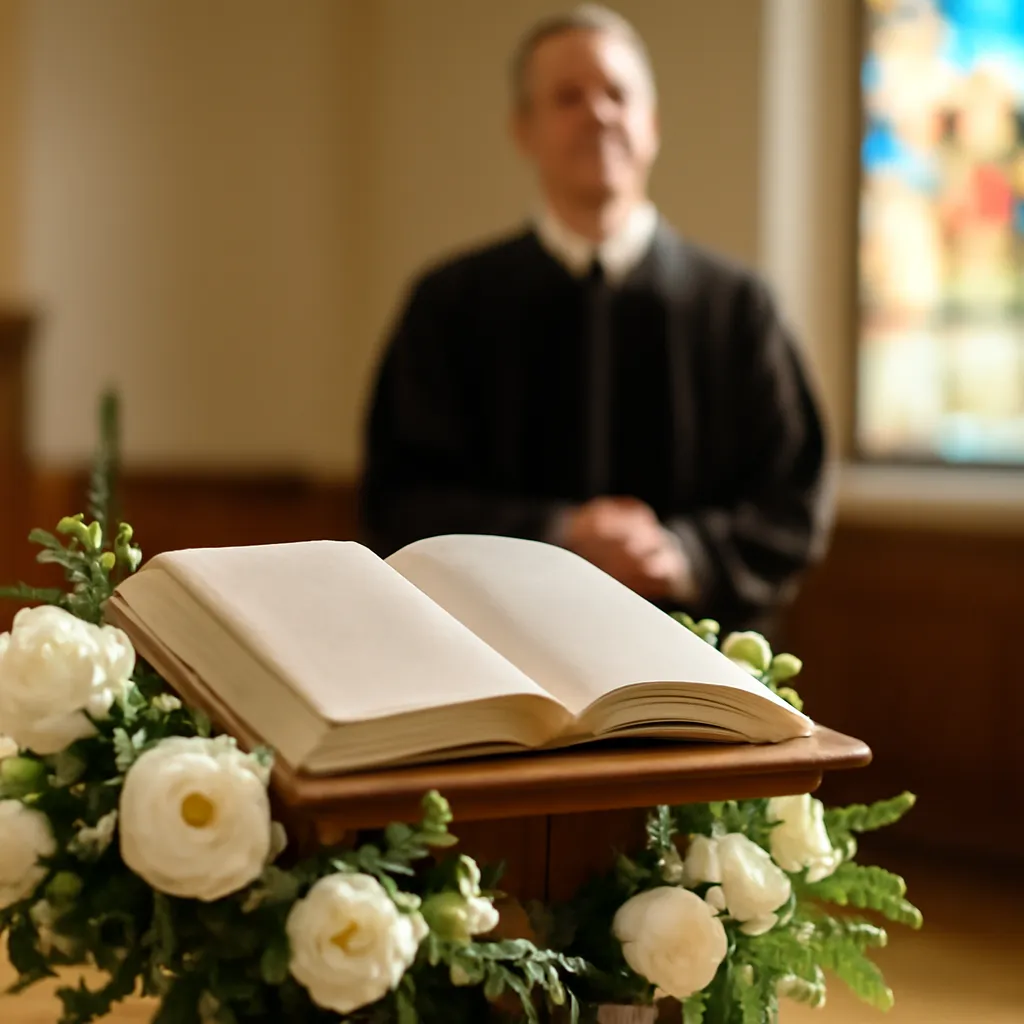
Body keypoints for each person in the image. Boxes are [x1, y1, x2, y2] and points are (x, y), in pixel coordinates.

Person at [361, 5, 831, 633]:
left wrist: (684, 553)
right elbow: (402, 497)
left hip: (692, 659)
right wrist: (557, 535)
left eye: (618, 94)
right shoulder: (449, 303)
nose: (599, 114)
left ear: (653, 123)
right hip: (498, 658)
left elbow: (791, 497)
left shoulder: (738, 307)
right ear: (523, 129)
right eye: (568, 97)